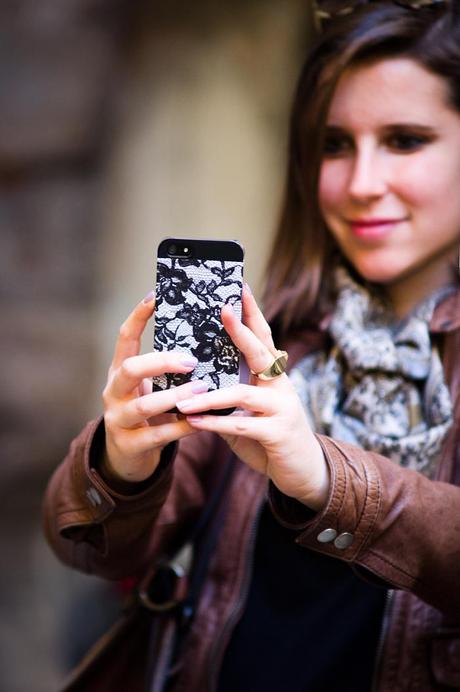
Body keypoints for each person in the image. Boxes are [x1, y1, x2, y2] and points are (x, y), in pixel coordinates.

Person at [43, 1, 460, 690]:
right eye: (333, 144)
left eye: (405, 140)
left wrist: (324, 478)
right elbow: (81, 547)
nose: (361, 184)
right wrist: (120, 464)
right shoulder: (271, 339)